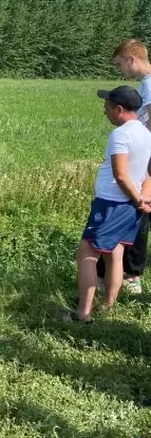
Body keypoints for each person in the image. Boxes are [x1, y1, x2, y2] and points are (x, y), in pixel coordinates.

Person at [71, 86, 151, 323]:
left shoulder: (121, 135)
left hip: (111, 204)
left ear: (119, 109)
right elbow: (148, 173)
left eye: (106, 106)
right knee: (115, 254)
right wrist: (143, 200)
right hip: (130, 206)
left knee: (86, 254)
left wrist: (139, 199)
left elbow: (121, 174)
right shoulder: (147, 134)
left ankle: (82, 314)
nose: (104, 111)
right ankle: (108, 306)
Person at [97, 40, 151, 294]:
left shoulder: (150, 86)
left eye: (119, 64)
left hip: (145, 161)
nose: (119, 69)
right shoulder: (146, 85)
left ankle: (132, 275)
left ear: (132, 59)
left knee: (140, 212)